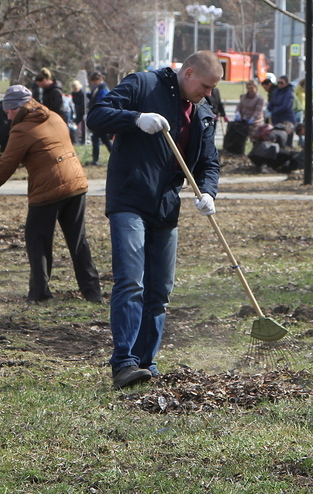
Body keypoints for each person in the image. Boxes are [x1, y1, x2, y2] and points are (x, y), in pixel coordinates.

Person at [86, 50, 222, 390]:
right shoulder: (143, 84)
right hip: (129, 198)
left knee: (160, 290)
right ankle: (124, 362)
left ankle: (146, 362)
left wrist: (208, 192)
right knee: (131, 281)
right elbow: (97, 115)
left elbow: (209, 164)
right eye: (205, 86)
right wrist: (134, 119)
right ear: (188, 73)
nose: (208, 94)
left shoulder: (204, 113)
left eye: (212, 89)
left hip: (166, 205)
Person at [0, 85, 102, 305]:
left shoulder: (22, 129)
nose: (7, 115)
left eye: (10, 110)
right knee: (78, 240)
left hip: (48, 188)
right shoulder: (53, 116)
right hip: (77, 183)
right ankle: (92, 292)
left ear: (19, 107)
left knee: (37, 240)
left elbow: (6, 163)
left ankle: (40, 294)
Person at [86, 71, 112, 166]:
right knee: (104, 139)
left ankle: (95, 159)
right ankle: (115, 155)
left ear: (100, 79)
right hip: (99, 116)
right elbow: (94, 96)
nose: (94, 82)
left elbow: (102, 101)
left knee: (96, 138)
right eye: (93, 81)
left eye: (96, 80)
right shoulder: (97, 88)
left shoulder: (103, 89)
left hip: (101, 117)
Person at [266, 75, 297, 147]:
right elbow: (272, 102)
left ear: (286, 83)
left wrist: (272, 112)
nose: (279, 84)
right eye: (278, 82)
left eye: (281, 83)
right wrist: (267, 109)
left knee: (286, 142)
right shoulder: (276, 91)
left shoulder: (289, 93)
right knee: (276, 139)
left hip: (287, 119)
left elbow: (285, 106)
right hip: (276, 119)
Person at [71, 80, 88, 145]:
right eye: (74, 88)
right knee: (74, 125)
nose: (75, 90)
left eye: (76, 88)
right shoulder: (73, 94)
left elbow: (84, 104)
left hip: (84, 112)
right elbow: (74, 102)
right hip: (78, 112)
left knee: (84, 126)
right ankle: (74, 140)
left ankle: (83, 141)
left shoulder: (82, 93)